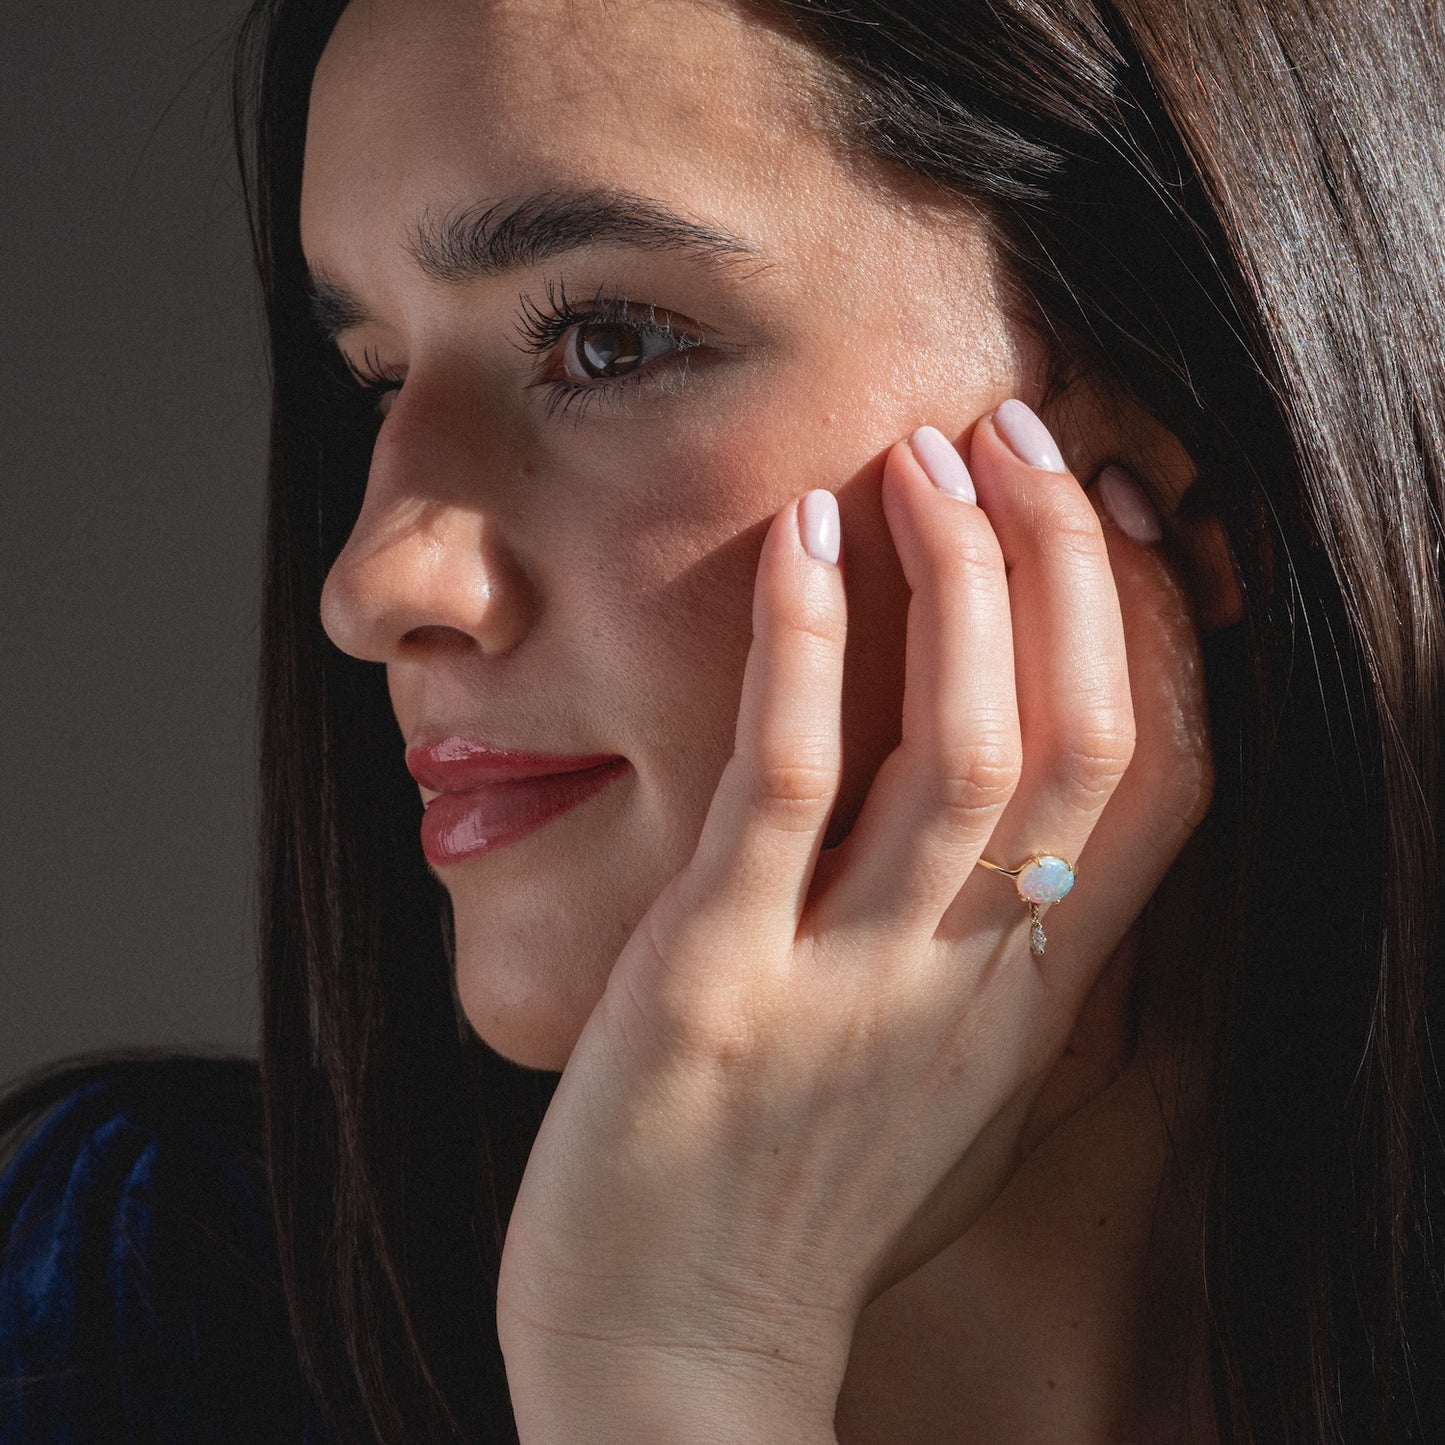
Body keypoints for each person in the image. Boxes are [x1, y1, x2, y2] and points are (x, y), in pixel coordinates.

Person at [2, 0, 1441, 1440]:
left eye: (607, 342)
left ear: (1198, 467)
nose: (372, 583)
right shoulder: (131, 1325)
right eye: (376, 379)